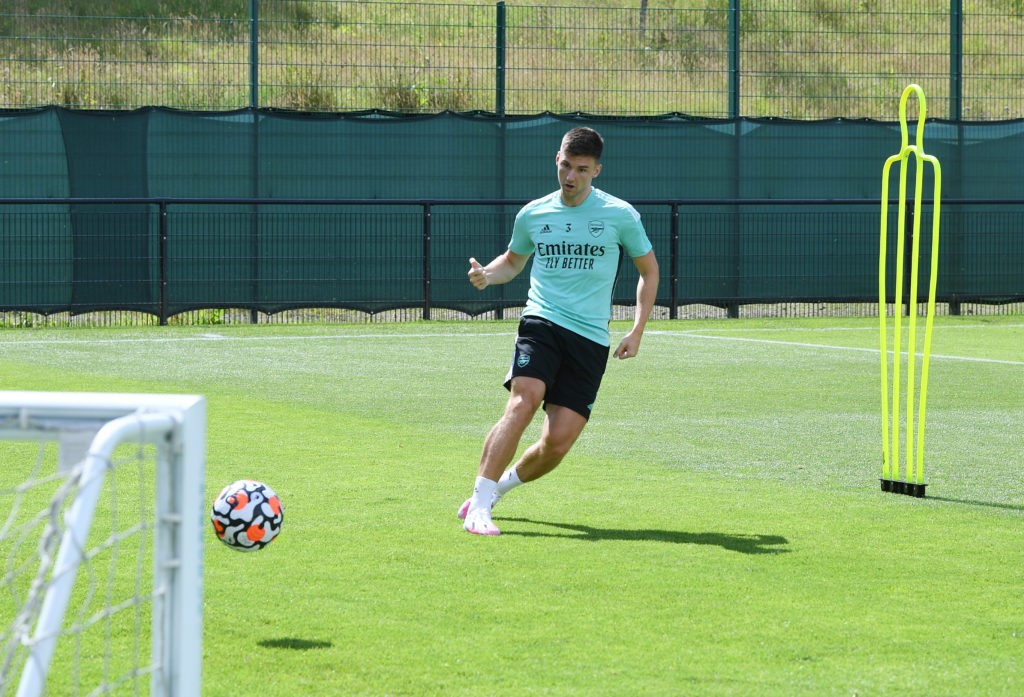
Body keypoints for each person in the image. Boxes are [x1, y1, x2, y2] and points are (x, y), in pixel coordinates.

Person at [459, 126, 660, 536]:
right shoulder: (534, 213)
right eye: (566, 166)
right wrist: (487, 276)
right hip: (542, 322)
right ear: (557, 160)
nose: (571, 177)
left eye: (582, 170)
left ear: (597, 170)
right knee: (523, 401)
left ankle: (498, 489)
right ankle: (479, 506)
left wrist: (637, 330)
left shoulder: (620, 215)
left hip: (589, 338)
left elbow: (649, 271)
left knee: (557, 445)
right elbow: (513, 261)